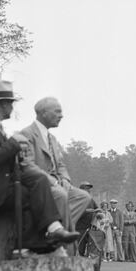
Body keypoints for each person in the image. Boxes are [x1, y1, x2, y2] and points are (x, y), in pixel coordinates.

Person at [0, 80, 79, 251]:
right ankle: (34, 241)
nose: (12, 107)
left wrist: (18, 153)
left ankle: (51, 232)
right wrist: (14, 143)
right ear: (3, 104)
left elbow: (2, 157)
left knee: (38, 179)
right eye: (11, 103)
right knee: (33, 191)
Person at [20, 97, 92, 232]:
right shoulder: (27, 133)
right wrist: (53, 182)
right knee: (61, 195)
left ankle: (56, 230)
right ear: (44, 113)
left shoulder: (52, 138)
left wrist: (65, 179)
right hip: (39, 185)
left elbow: (60, 164)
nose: (61, 115)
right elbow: (27, 165)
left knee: (83, 196)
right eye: (57, 111)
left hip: (57, 184)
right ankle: (59, 235)